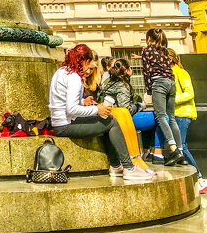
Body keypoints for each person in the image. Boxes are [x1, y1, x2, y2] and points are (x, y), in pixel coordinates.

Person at [49, 43, 152, 181]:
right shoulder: (74, 77)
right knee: (111, 122)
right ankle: (128, 167)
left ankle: (116, 166)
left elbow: (66, 103)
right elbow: (71, 109)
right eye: (89, 62)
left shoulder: (61, 71)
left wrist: (84, 103)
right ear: (82, 60)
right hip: (66, 125)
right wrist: (98, 109)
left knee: (105, 121)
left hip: (59, 122)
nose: (90, 68)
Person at [153, 49, 207, 192]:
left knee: (181, 146)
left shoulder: (181, 73)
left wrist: (168, 100)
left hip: (182, 114)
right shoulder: (168, 74)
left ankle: (200, 178)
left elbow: (189, 93)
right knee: (180, 146)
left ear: (169, 59)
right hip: (175, 115)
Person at [141, 29, 184, 165]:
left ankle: (173, 149)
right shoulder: (165, 50)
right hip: (171, 83)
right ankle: (181, 152)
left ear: (149, 38)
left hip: (159, 83)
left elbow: (146, 70)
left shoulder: (147, 50)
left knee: (161, 117)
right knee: (172, 118)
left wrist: (148, 88)